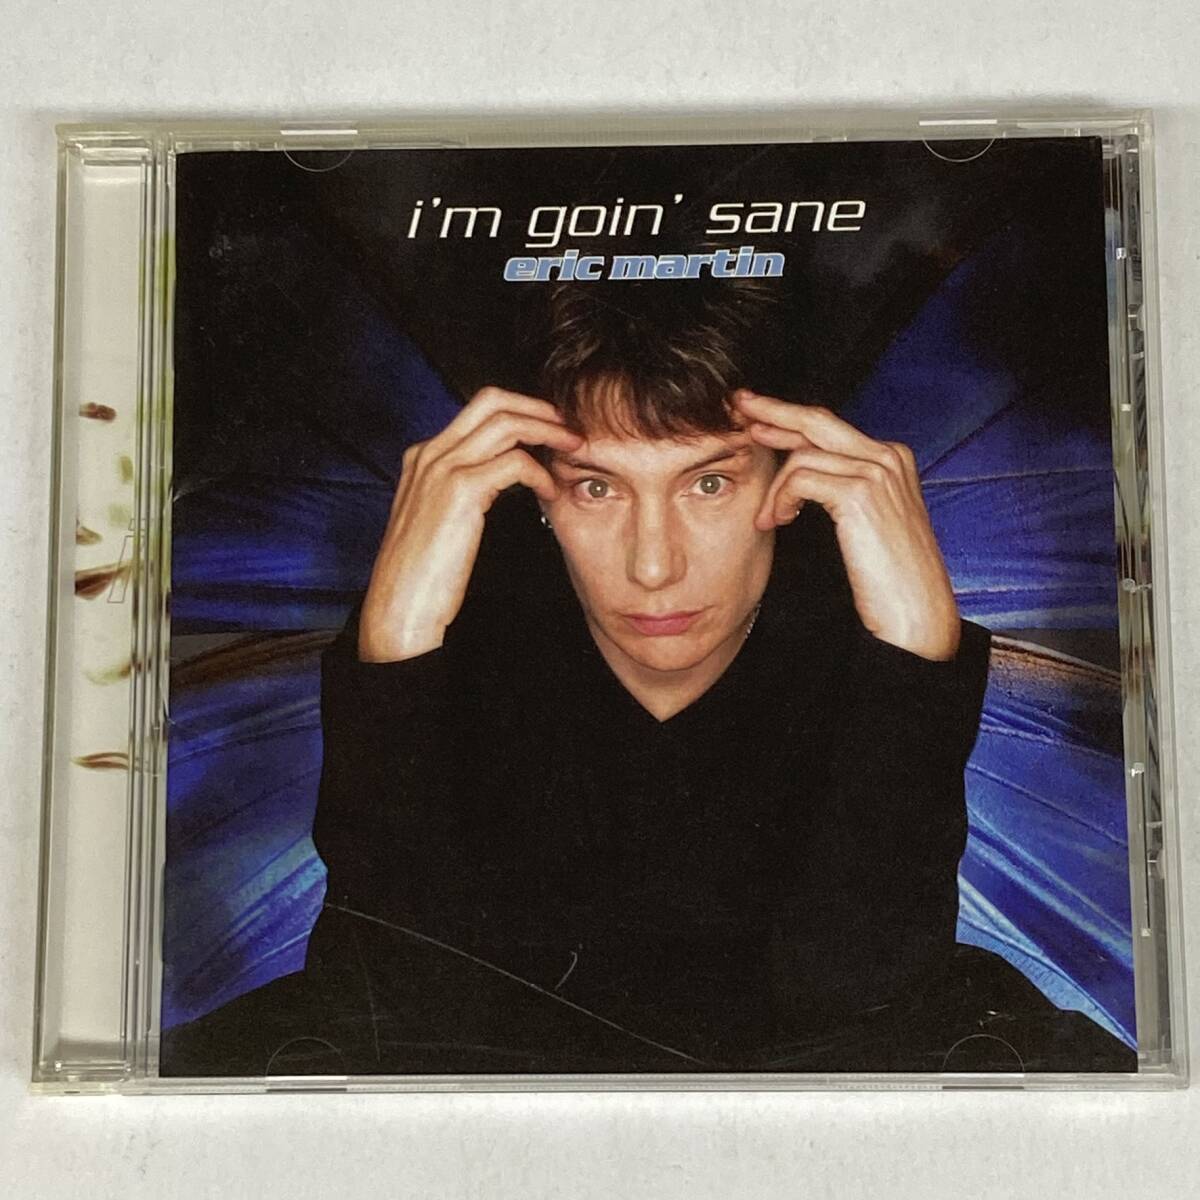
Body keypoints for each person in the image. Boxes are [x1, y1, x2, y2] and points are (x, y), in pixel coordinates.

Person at [162, 280, 1136, 1077]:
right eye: (597, 486)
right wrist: (395, 642)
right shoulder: (458, 621)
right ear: (535, 490)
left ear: (788, 478)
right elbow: (396, 1015)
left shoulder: (869, 629)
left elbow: (866, 1015)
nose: (655, 564)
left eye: (708, 482)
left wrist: (918, 650)